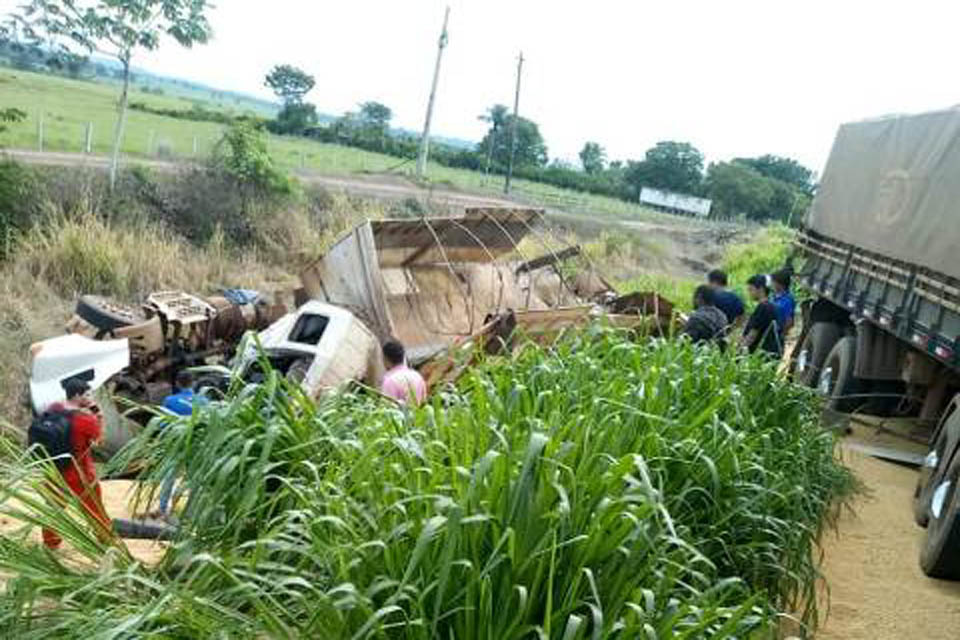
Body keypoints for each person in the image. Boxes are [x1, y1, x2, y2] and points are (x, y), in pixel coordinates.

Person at [42, 378, 112, 550]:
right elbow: (100, 442)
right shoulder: (85, 420)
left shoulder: (52, 410)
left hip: (54, 470)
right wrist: (99, 416)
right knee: (94, 509)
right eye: (87, 394)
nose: (90, 397)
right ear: (77, 395)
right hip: (79, 473)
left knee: (53, 508)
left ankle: (51, 544)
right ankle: (105, 541)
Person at [152, 370, 206, 519]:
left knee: (169, 476)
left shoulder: (170, 401)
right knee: (194, 478)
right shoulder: (203, 401)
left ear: (177, 383)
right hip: (196, 444)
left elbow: (163, 424)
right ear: (194, 383)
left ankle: (163, 509)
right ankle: (190, 512)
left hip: (176, 444)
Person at [740, 274, 782, 357]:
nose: (749, 293)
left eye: (751, 290)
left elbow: (753, 333)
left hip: (761, 354)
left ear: (761, 289)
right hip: (771, 351)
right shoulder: (773, 306)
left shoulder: (763, 307)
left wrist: (740, 350)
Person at [380, 340, 427, 406]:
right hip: (418, 415)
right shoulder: (417, 376)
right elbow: (424, 403)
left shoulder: (390, 381)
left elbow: (387, 409)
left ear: (386, 359)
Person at [771, 269, 796, 338]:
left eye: (773, 282)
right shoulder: (773, 297)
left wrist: (782, 334)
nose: (771, 284)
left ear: (780, 284)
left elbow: (789, 321)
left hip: (778, 333)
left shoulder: (787, 300)